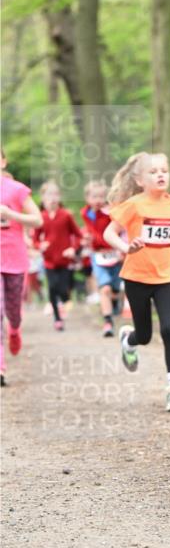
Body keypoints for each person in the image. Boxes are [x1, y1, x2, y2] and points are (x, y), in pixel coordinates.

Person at [103, 152, 170, 412]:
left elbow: (168, 238)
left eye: (164, 170)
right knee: (144, 336)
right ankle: (129, 339)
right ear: (140, 180)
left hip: (164, 278)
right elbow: (108, 233)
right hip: (136, 277)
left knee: (168, 329)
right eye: (153, 172)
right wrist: (125, 247)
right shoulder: (134, 205)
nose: (160, 175)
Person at [0, 148, 43, 386]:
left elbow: (38, 220)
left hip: (14, 259)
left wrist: (11, 214)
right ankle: (1, 368)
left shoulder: (16, 190)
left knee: (12, 311)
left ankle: (15, 329)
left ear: (3, 161)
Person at [33, 181, 82, 331]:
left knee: (63, 289)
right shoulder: (40, 217)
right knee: (52, 288)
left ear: (59, 197)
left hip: (65, 260)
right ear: (42, 198)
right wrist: (39, 246)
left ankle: (64, 302)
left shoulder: (66, 215)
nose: (52, 198)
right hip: (48, 261)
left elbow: (78, 236)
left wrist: (73, 249)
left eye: (55, 194)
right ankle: (57, 318)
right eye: (49, 195)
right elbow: (35, 239)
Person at [80, 180, 123, 337]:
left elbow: (121, 227)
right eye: (94, 197)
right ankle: (107, 322)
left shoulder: (111, 212)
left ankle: (115, 299)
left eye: (101, 197)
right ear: (87, 198)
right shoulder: (85, 213)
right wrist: (87, 238)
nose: (97, 200)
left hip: (115, 252)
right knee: (104, 288)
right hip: (97, 255)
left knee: (115, 287)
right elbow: (91, 229)